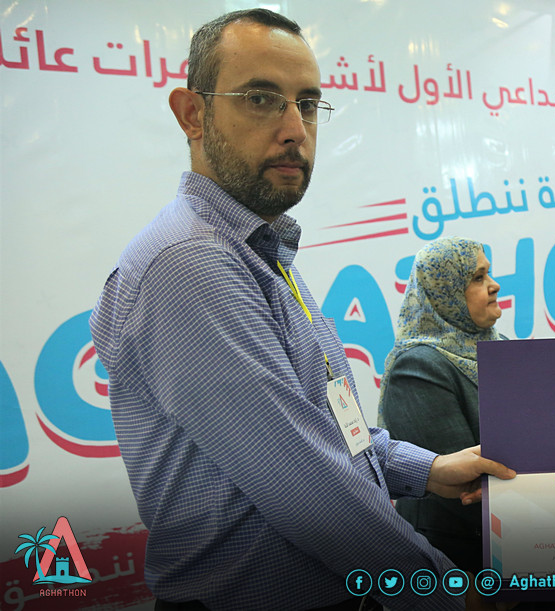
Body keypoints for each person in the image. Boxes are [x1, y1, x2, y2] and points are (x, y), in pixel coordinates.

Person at [89, 10, 514, 611]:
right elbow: (307, 485)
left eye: (308, 104)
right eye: (261, 99)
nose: (295, 129)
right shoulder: (192, 264)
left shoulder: (257, 250)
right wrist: (443, 591)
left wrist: (428, 469)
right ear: (192, 114)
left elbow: (329, 431)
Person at [379, 237, 503, 574]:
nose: (494, 285)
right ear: (445, 292)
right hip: (463, 559)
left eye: (488, 273)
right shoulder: (417, 366)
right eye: (477, 278)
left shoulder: (500, 347)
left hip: (526, 538)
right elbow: (462, 485)